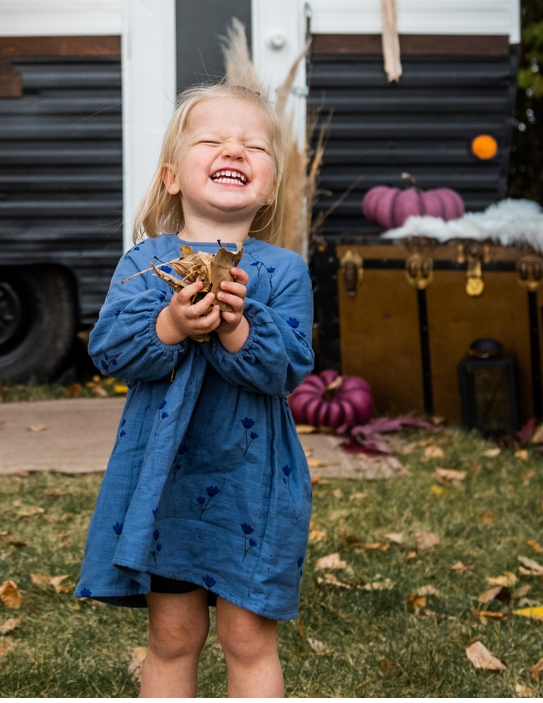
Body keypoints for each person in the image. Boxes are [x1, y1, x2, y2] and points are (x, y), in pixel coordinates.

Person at [76, 83, 315, 698]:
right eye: (211, 140)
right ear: (172, 176)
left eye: (253, 146)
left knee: (248, 638)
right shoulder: (144, 264)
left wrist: (236, 327)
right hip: (166, 487)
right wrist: (174, 323)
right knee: (173, 638)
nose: (233, 150)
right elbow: (111, 351)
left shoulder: (284, 271)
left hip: (250, 485)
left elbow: (288, 367)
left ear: (268, 184)